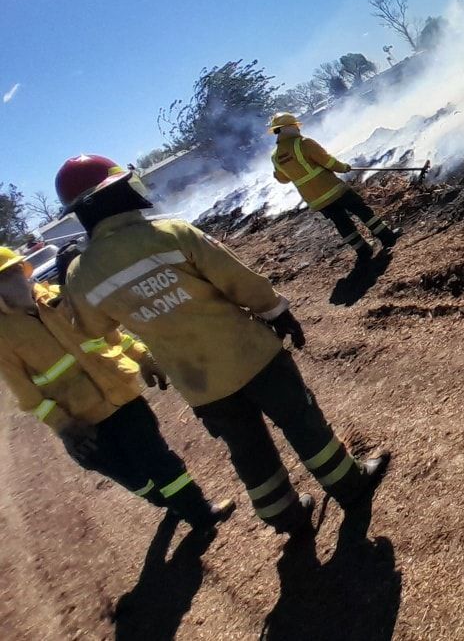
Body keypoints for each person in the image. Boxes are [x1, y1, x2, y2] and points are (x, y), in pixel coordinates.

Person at [55, 154, 390, 542]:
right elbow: (237, 280)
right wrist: (277, 311)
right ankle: (348, 484)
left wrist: (140, 353)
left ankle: (283, 515)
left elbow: (93, 331)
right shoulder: (170, 232)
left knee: (247, 448)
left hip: (200, 385)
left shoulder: (82, 275)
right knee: (300, 419)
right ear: (115, 195)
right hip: (252, 356)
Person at [0, 246, 234, 530]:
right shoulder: (4, 337)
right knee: (133, 477)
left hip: (123, 395)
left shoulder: (59, 298)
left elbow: (105, 334)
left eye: (15, 273)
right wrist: (63, 426)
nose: (16, 281)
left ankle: (200, 512)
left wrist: (142, 356)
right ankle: (167, 502)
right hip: (84, 420)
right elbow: (26, 394)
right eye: (5, 278)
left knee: (156, 458)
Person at [266, 112, 402, 261]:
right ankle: (387, 238)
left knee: (342, 223)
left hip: (316, 200)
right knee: (362, 211)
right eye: (295, 126)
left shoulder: (275, 156)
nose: (298, 129)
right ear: (290, 127)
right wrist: (343, 168)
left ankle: (363, 252)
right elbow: (327, 161)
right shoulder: (304, 143)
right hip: (334, 190)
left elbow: (283, 179)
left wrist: (278, 174)